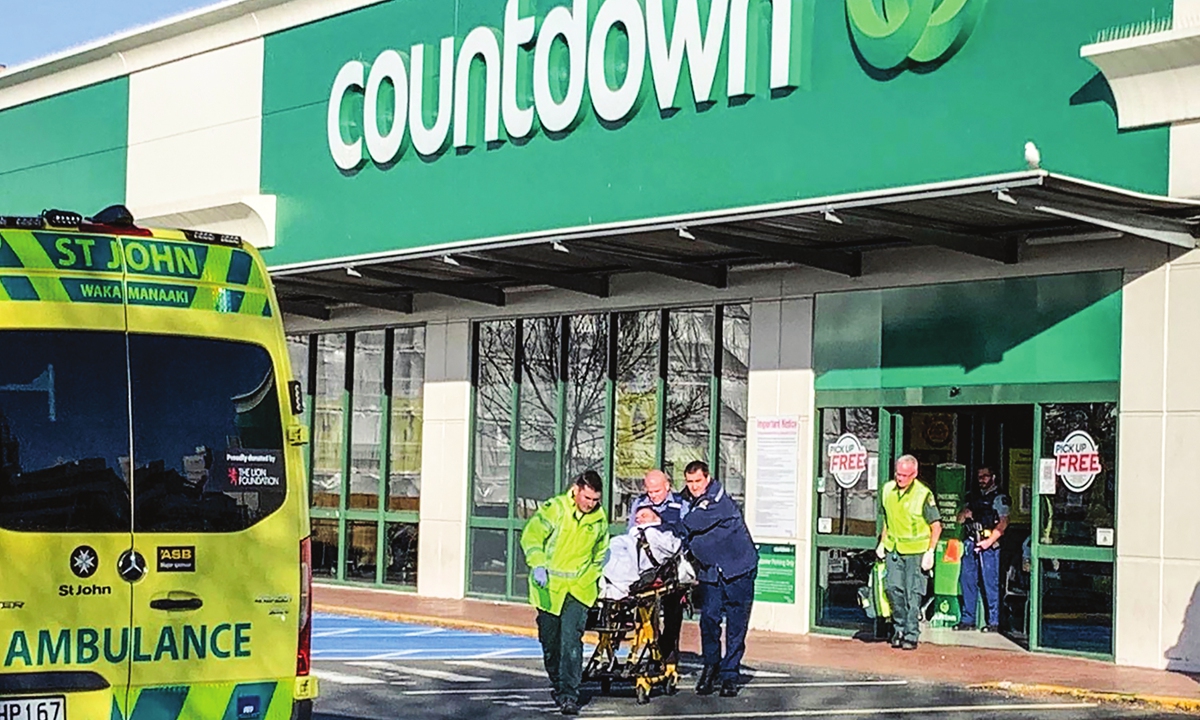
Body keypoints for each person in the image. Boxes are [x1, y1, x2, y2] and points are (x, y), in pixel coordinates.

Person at [521, 471, 610, 716]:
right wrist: (537, 562)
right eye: (587, 498)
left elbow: (600, 553)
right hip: (549, 589)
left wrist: (592, 576)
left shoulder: (599, 519)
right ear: (576, 490)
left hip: (579, 590)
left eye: (595, 500)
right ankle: (559, 683)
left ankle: (569, 694)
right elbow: (532, 536)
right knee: (551, 644)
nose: (591, 504)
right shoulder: (555, 509)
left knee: (572, 642)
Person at [681, 460, 757, 698]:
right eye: (690, 482)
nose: (694, 486)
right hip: (711, 571)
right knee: (709, 621)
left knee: (736, 625)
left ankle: (730, 675)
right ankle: (711, 666)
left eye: (698, 481)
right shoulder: (687, 500)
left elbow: (690, 523)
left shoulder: (718, 500)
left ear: (708, 478)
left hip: (738, 570)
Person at [876, 454, 942, 650]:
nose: (900, 479)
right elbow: (887, 519)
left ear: (915, 474)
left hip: (916, 552)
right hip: (894, 549)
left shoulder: (923, 494)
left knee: (913, 595)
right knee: (893, 589)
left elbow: (936, 526)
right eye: (898, 474)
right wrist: (882, 542)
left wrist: (930, 551)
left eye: (905, 475)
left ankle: (911, 634)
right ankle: (899, 629)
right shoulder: (887, 490)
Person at [627, 469, 689, 664]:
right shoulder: (639, 504)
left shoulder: (680, 504)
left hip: (671, 568)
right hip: (645, 567)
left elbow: (685, 534)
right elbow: (631, 532)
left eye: (657, 491)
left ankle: (669, 655)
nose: (653, 496)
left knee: (673, 615)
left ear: (667, 486)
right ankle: (653, 650)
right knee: (646, 611)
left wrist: (659, 523)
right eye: (650, 492)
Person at [954, 466, 1011, 633]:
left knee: (990, 584)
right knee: (967, 582)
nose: (982, 480)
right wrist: (964, 514)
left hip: (989, 545)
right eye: (979, 477)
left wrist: (988, 542)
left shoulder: (999, 498)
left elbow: (1003, 522)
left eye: (985, 476)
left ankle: (994, 622)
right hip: (971, 542)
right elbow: (958, 519)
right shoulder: (972, 497)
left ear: (993, 477)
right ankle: (967, 619)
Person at [600, 506, 682, 600]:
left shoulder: (659, 533)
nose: (639, 519)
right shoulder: (633, 534)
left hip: (635, 559)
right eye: (636, 518)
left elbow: (673, 547)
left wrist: (650, 534)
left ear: (657, 518)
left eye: (644, 515)